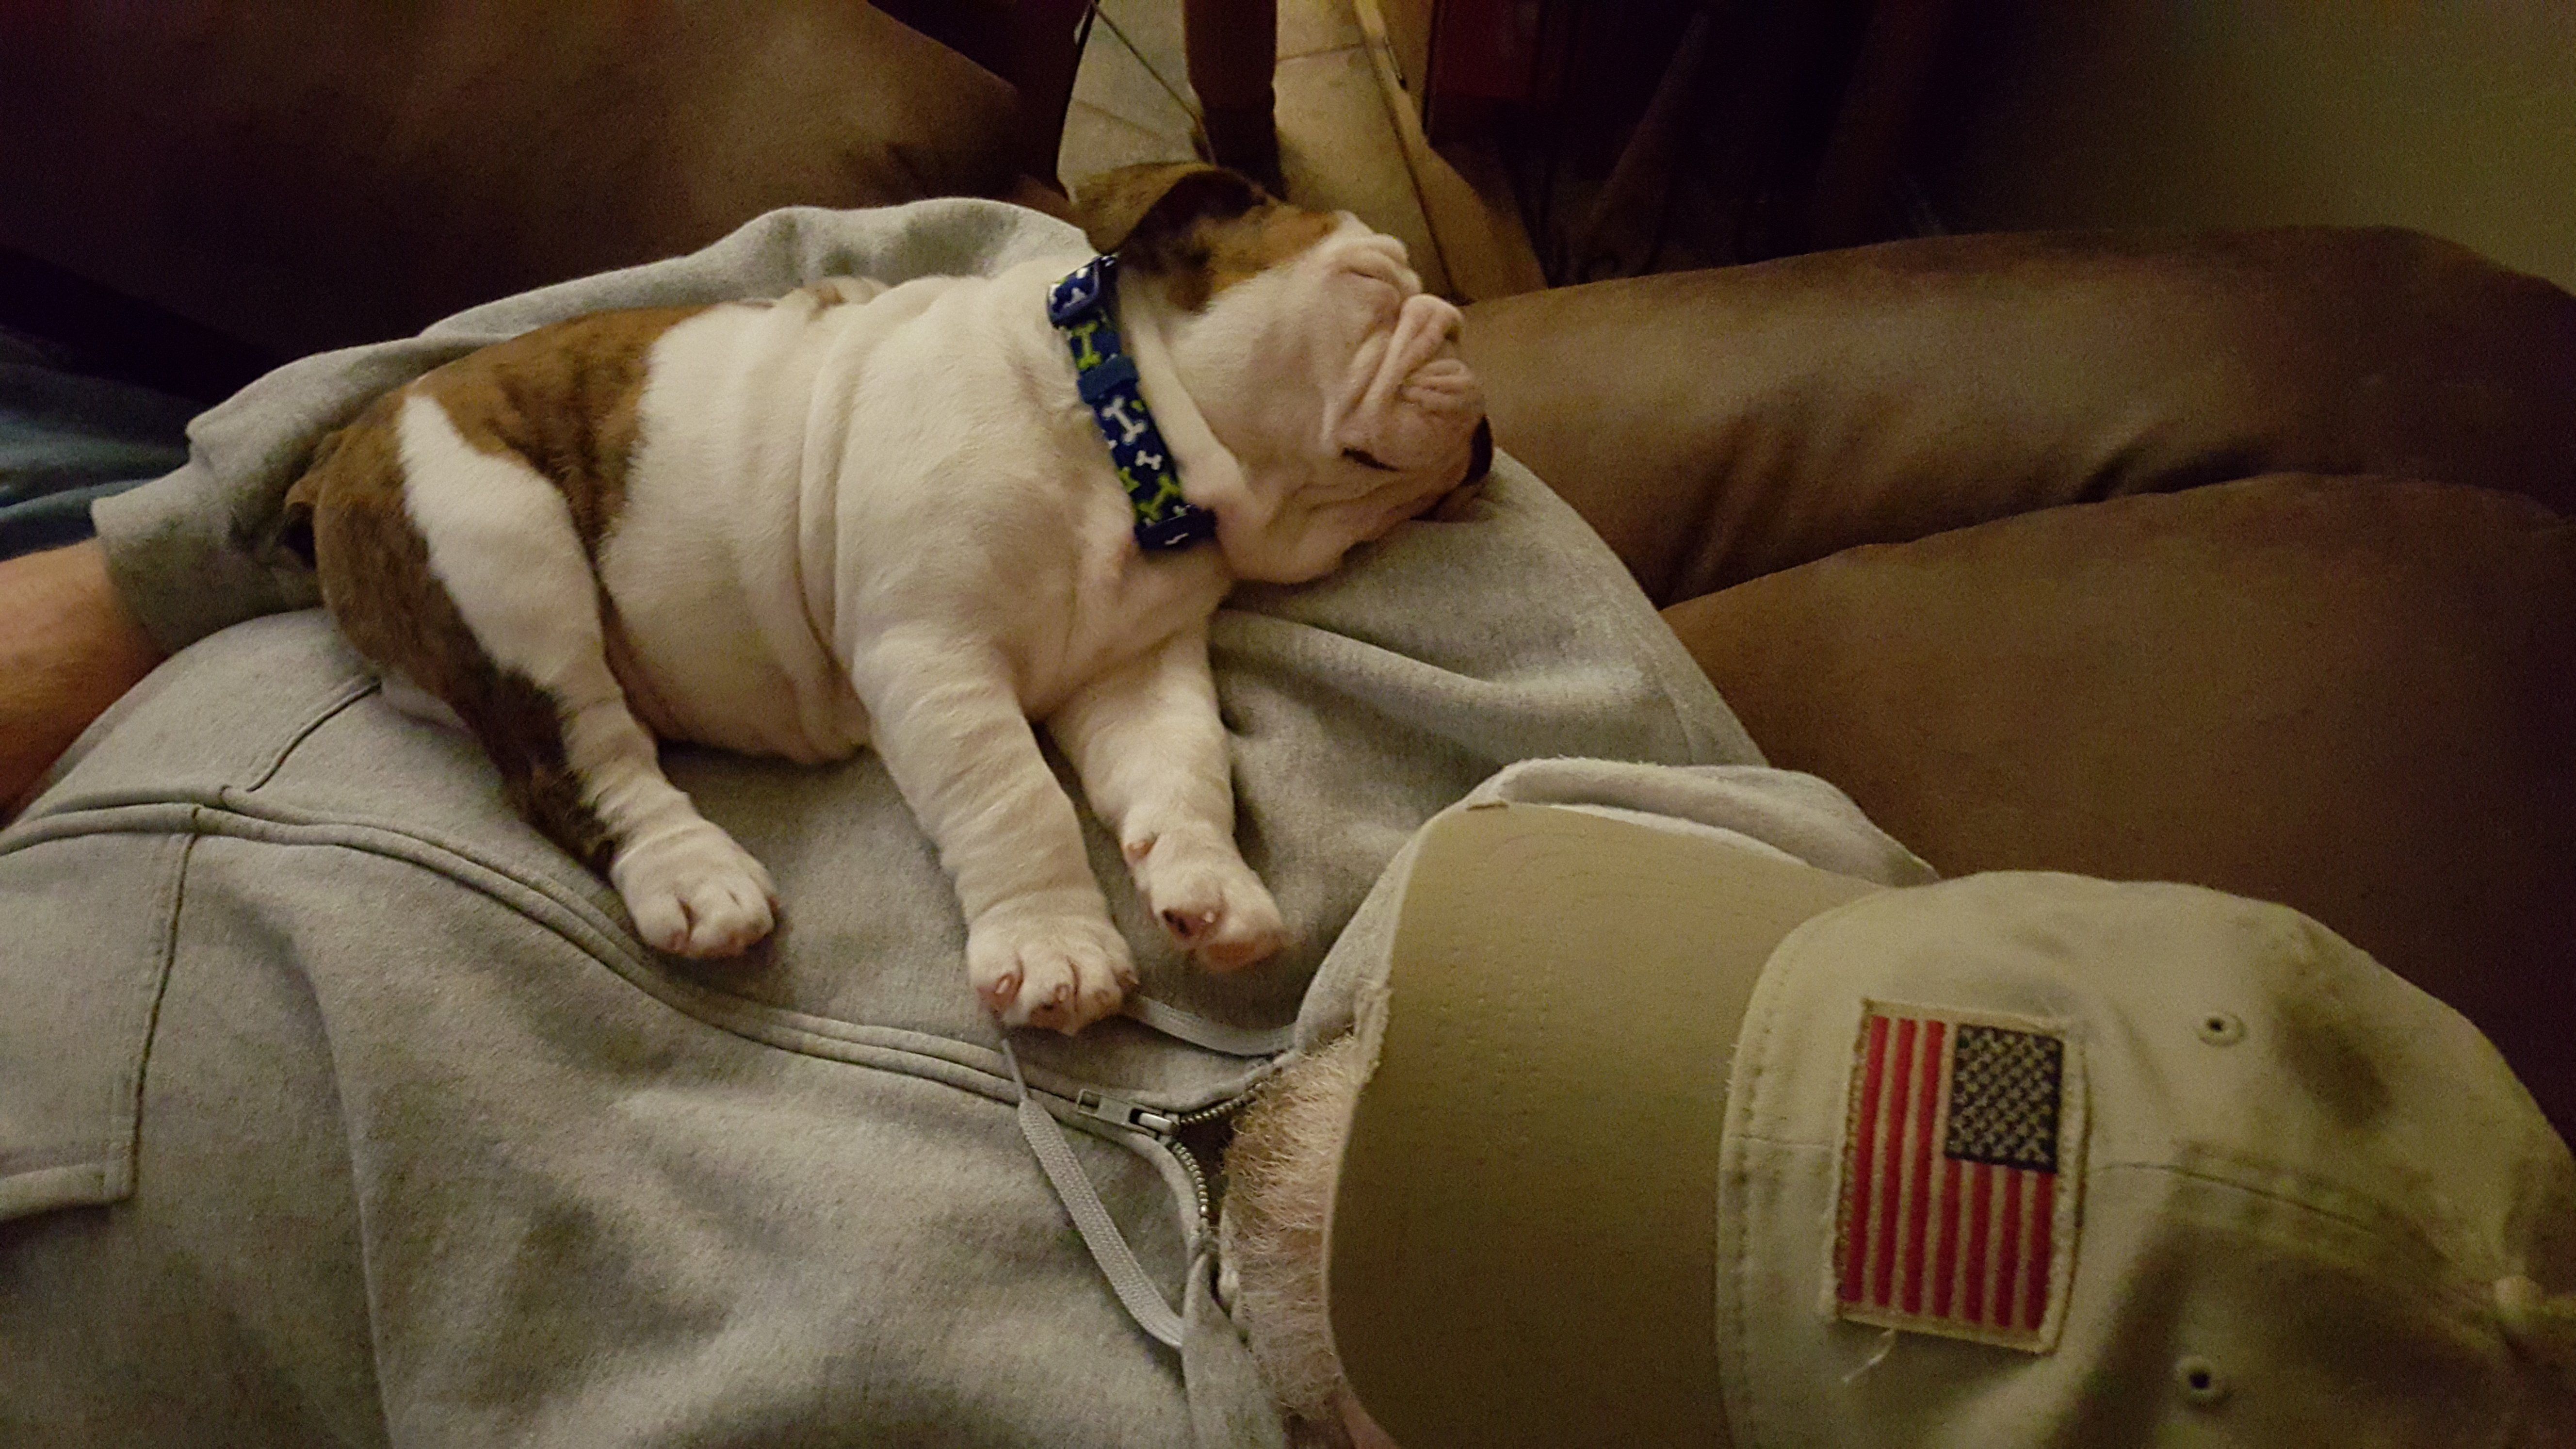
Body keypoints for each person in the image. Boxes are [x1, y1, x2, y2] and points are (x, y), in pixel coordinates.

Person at [2, 197, 2570, 1447]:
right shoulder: (1537, 664)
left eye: (1609, 1243)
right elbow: (926, 268)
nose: (1417, 1073)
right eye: (1688, 1009)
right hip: (233, 559)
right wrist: (148, 570)